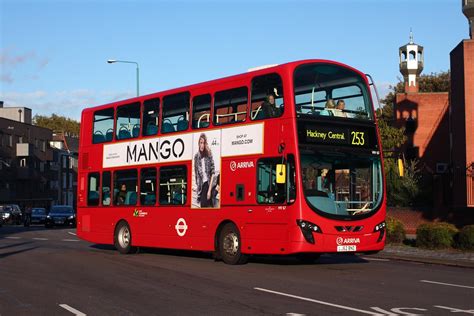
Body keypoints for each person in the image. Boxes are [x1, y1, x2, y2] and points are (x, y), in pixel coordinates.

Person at [194, 133, 217, 207]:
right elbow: (196, 174)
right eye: (201, 143)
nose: (202, 145)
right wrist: (197, 189)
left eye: (203, 143)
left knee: (205, 204)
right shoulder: (196, 157)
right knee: (204, 204)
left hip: (209, 183)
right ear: (198, 143)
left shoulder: (209, 154)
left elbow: (213, 172)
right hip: (201, 186)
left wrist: (209, 191)